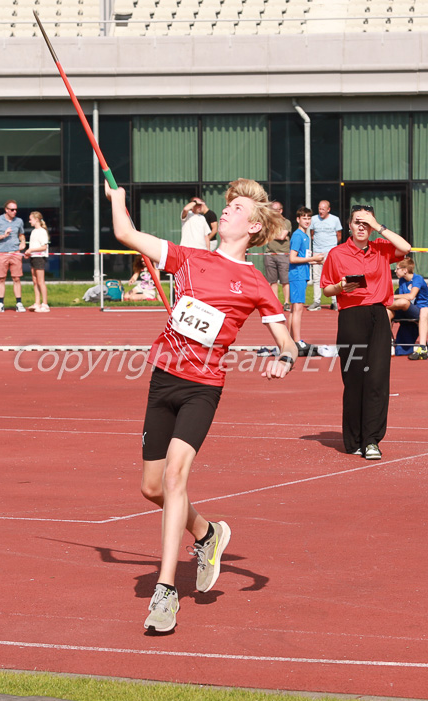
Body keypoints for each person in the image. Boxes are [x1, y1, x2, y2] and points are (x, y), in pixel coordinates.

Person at [105, 177, 297, 633]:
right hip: (162, 380)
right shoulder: (187, 257)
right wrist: (117, 201)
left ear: (252, 226)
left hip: (202, 387)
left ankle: (166, 591)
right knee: (152, 488)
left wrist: (286, 357)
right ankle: (208, 534)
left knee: (175, 477)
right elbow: (127, 236)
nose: (223, 213)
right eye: (225, 208)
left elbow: (285, 337)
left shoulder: (254, 281)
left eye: (234, 210)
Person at [320, 205, 411, 461]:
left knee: (378, 380)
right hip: (351, 316)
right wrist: (339, 286)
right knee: (354, 379)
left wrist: (378, 224)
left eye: (366, 223)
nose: (362, 227)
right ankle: (353, 440)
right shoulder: (337, 254)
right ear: (349, 225)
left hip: (379, 316)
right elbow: (326, 290)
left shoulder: (381, 247)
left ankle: (372, 440)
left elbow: (405, 248)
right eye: (357, 222)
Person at [288, 207, 324, 355]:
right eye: (304, 218)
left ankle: (291, 340)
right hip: (297, 275)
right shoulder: (298, 236)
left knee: (294, 310)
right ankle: (296, 341)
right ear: (298, 219)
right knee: (297, 309)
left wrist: (315, 262)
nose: (307, 221)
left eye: (309, 218)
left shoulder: (305, 236)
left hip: (301, 273)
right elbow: (292, 258)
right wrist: (313, 259)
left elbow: (301, 258)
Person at [387, 257, 428, 360]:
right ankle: (385, 345)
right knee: (387, 312)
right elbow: (402, 299)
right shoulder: (402, 280)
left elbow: (410, 296)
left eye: (397, 268)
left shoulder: (417, 278)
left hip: (420, 310)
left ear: (405, 270)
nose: (395, 271)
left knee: (403, 302)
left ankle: (422, 348)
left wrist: (391, 297)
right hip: (407, 309)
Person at [0, 200, 26, 313]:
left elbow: (21, 235)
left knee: (16, 278)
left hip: (15, 252)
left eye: (16, 209)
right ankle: (0, 303)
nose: (14, 211)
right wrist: (3, 235)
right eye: (12, 209)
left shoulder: (19, 221)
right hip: (2, 253)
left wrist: (23, 243)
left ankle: (19, 303)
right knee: (1, 279)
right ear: (6, 210)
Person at [308, 200, 342, 311]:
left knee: (332, 277)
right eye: (319, 208)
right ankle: (317, 301)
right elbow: (312, 233)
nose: (321, 211)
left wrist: (331, 247)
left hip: (331, 252)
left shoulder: (335, 220)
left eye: (323, 209)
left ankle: (334, 302)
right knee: (317, 278)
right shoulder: (313, 219)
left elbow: (339, 236)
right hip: (317, 251)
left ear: (328, 209)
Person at [263, 200, 292, 312]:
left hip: (283, 254)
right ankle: (275, 302)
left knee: (285, 281)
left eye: (276, 210)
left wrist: (271, 234)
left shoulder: (286, 222)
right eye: (272, 210)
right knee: (272, 281)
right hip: (270, 253)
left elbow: (282, 236)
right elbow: (266, 234)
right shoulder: (268, 222)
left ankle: (286, 302)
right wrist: (276, 234)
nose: (273, 212)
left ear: (281, 210)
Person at [24, 211, 50, 313]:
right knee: (35, 281)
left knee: (40, 281)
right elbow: (33, 246)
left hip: (39, 258)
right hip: (33, 257)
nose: (29, 221)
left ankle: (45, 304)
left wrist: (31, 250)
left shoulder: (42, 231)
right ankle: (37, 303)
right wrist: (29, 253)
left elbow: (44, 246)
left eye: (31, 219)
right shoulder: (34, 231)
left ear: (36, 219)